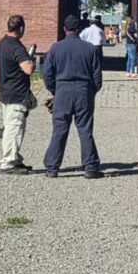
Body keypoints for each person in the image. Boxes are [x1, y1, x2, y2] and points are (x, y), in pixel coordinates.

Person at [42, 14, 103, 179]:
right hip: (84, 90)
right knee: (85, 129)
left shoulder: (55, 48)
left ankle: (52, 167)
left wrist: (54, 90)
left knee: (60, 129)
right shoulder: (90, 48)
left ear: (64, 29)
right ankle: (90, 167)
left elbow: (47, 74)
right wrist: (92, 91)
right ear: (79, 29)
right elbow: (97, 76)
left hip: (62, 90)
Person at [0, 15, 36, 175]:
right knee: (14, 128)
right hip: (17, 93)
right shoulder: (17, 47)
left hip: (5, 93)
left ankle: (15, 158)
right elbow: (28, 69)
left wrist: (0, 89)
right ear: (21, 28)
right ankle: (8, 162)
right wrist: (32, 61)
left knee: (10, 126)